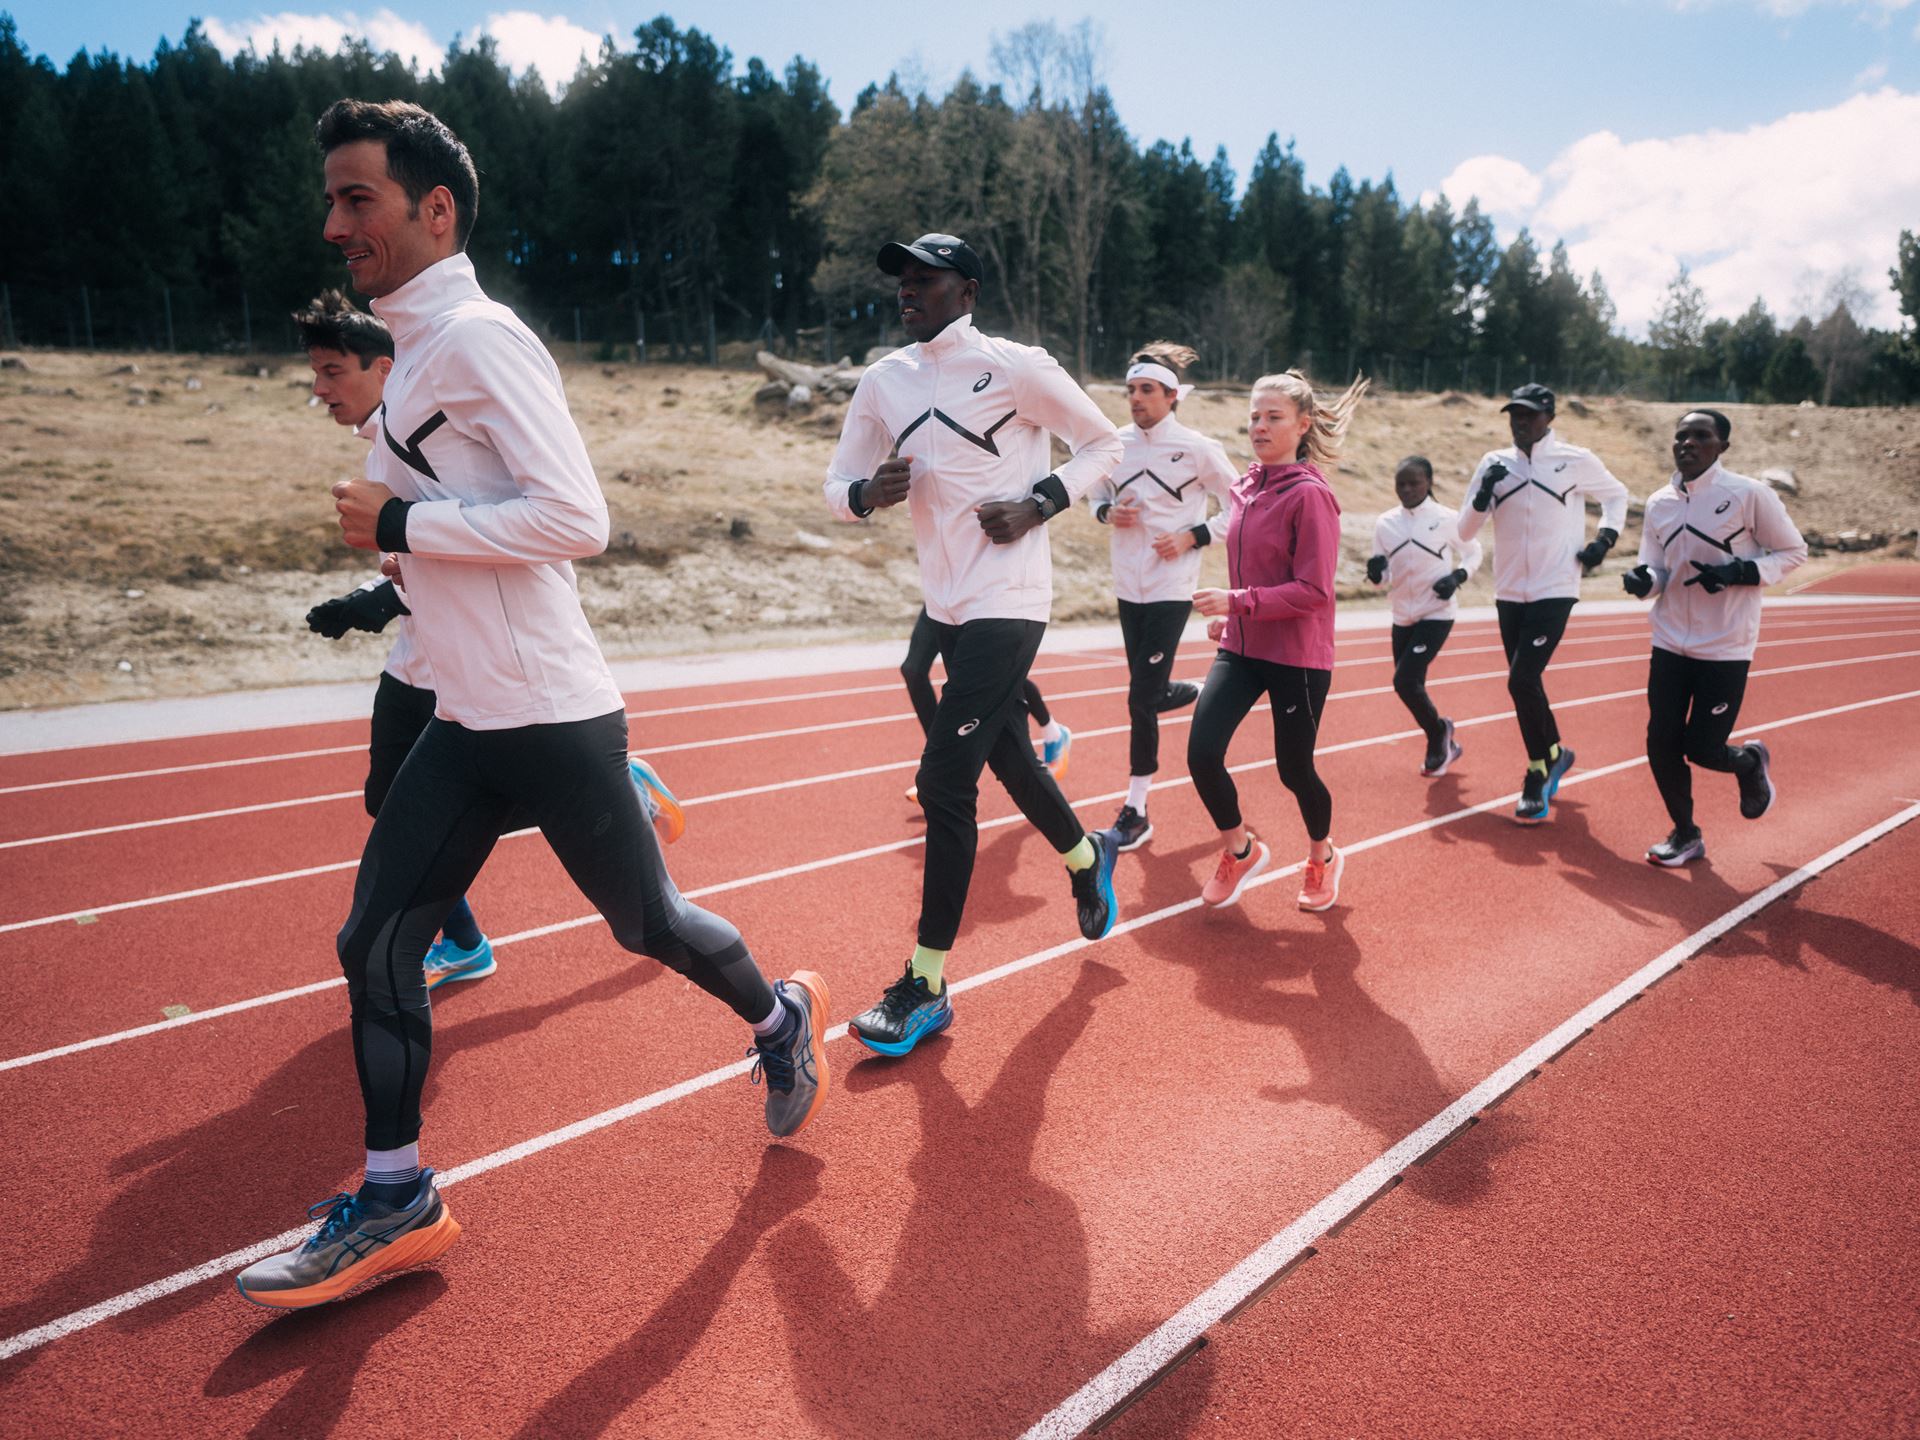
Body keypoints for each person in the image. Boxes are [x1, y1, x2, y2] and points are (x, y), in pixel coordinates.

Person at [237, 100, 828, 1312]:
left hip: (552, 713)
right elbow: (466, 530)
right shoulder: (405, 362)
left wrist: (404, 522)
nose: (334, 221)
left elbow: (576, 521)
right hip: (464, 716)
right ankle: (398, 1197)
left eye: (359, 198)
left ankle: (776, 1018)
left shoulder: (480, 339)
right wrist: (384, 582)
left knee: (648, 927)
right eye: (332, 197)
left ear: (434, 208)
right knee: (375, 940)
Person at [296, 292, 685, 994]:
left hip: (470, 667)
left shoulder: (455, 396)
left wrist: (388, 570)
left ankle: (611, 792)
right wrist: (385, 585)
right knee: (392, 805)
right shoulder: (384, 442)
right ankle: (466, 938)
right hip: (418, 663)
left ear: (384, 369)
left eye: (333, 372)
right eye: (315, 374)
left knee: (468, 818)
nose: (318, 390)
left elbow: (543, 528)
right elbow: (429, 548)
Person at [823, 232, 1125, 1056]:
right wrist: (863, 493)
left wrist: (1041, 502)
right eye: (901, 280)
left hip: (1011, 598)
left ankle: (925, 985)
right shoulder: (884, 381)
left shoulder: (1017, 366)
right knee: (1007, 758)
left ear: (969, 290)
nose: (908, 290)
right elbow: (834, 485)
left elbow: (1106, 444)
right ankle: (1082, 853)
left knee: (944, 778)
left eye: (926, 279)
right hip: (946, 603)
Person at [1189, 370, 1368, 913]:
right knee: (1202, 753)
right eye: (1254, 417)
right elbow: (1255, 570)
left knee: (1294, 768)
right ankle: (1240, 849)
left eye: (1273, 417)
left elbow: (1314, 590)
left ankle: (1322, 855)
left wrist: (1237, 601)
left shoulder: (1311, 496)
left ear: (1303, 425)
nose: (1259, 427)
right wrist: (1233, 617)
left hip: (1298, 656)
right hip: (1243, 647)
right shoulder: (1245, 487)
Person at [1621, 409, 1806, 865]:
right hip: (1669, 642)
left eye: (1700, 436)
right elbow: (1657, 569)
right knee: (1659, 742)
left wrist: (1741, 571)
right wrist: (1643, 581)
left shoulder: (1748, 495)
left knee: (1702, 748)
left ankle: (1746, 761)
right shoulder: (1659, 502)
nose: (1688, 443)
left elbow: (1793, 552)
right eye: (1681, 436)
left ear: (1722, 446)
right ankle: (1686, 834)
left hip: (1725, 645)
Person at [1454, 383, 1629, 824]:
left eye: (1529, 415)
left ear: (1548, 418)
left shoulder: (1574, 459)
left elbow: (1616, 495)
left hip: (1556, 586)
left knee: (1521, 679)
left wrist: (1605, 540)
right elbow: (1464, 532)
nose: (1520, 423)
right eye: (1514, 415)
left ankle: (1537, 769)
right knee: (1525, 682)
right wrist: (1482, 494)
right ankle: (1555, 752)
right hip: (1510, 590)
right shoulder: (1494, 464)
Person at [1086, 342, 1236, 851]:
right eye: (1130, 389)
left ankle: (1137, 808)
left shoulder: (1198, 447)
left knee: (1139, 698)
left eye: (1146, 389)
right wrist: (1108, 514)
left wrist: (1195, 536)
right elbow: (1094, 494)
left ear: (1172, 396)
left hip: (1173, 589)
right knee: (1146, 691)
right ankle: (1187, 691)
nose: (1135, 398)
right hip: (1128, 584)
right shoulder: (1112, 443)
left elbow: (1241, 506)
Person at [1365, 454, 1483, 777]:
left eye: (1413, 482)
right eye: (1400, 483)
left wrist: (1457, 578)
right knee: (1410, 684)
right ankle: (1441, 732)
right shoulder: (1385, 523)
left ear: (1429, 483)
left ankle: (1437, 736)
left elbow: (1474, 552)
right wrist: (1377, 575)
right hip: (1402, 613)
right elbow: (1382, 580)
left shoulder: (1446, 518)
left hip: (1437, 612)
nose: (1406, 489)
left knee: (1403, 681)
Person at [900, 610, 1071, 803]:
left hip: (978, 600)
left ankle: (1052, 732)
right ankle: (939, 767)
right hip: (938, 598)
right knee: (913, 670)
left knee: (994, 674)